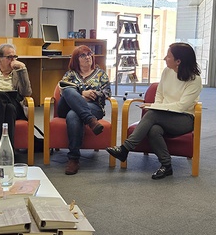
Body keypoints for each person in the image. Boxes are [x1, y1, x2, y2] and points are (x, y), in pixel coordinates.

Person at [107, 42, 202, 179]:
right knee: (154, 130)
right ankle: (166, 166)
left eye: (168, 56)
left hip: (184, 119)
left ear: (178, 61)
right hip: (163, 115)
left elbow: (181, 106)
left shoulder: (195, 80)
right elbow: (160, 94)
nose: (164, 58)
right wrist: (157, 106)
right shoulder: (167, 71)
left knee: (152, 114)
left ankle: (125, 148)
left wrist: (155, 108)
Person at [58, 45, 111, 175]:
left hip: (94, 107)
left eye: (89, 54)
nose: (88, 57)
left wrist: (94, 94)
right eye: (83, 55)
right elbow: (62, 91)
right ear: (76, 59)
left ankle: (73, 159)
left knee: (73, 115)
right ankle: (90, 121)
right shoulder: (70, 74)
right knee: (68, 89)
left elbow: (107, 92)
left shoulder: (100, 74)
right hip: (67, 106)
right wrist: (82, 94)